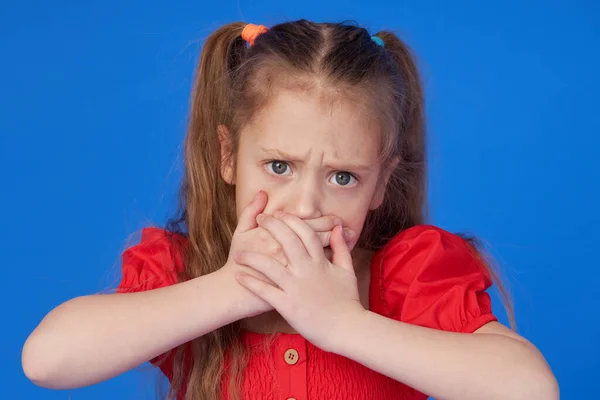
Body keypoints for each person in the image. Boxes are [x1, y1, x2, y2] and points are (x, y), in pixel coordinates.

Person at [22, 20, 559, 400]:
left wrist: (342, 324)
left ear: (381, 183)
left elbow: (529, 388)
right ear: (229, 156)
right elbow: (46, 359)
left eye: (343, 177)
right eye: (279, 166)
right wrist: (232, 287)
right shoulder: (183, 272)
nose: (305, 206)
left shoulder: (405, 277)